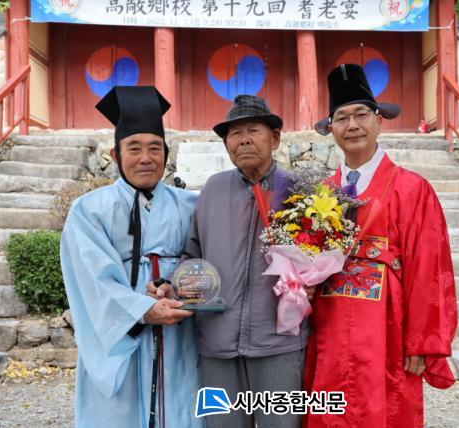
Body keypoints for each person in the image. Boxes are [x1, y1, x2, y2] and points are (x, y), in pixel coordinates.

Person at [303, 64, 458, 427]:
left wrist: (422, 341)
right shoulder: (320, 192)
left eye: (361, 115)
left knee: (387, 407)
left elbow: (430, 268)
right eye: (342, 118)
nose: (352, 125)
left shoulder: (412, 189)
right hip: (330, 325)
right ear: (331, 128)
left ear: (378, 120)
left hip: (389, 323)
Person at [60, 86, 202, 428]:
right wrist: (141, 309)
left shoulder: (191, 205)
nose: (146, 158)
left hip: (178, 333)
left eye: (155, 148)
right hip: (121, 335)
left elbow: (207, 262)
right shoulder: (89, 210)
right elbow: (91, 280)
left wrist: (183, 288)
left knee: (181, 405)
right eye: (134, 148)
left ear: (166, 153)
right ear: (115, 153)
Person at [182, 94, 308, 428]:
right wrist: (179, 285)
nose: (244, 140)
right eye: (235, 133)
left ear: (275, 139)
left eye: (254, 130)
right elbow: (192, 254)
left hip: (279, 343)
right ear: (226, 144)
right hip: (217, 344)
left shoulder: (299, 191)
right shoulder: (213, 189)